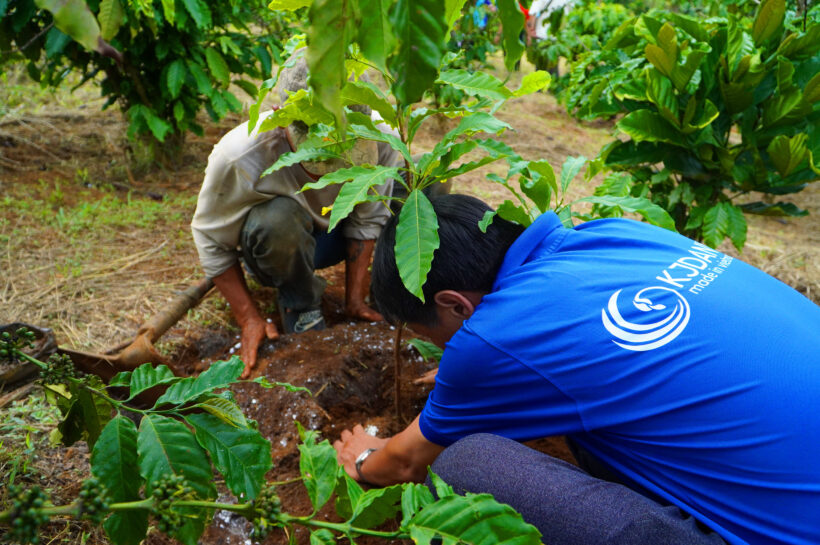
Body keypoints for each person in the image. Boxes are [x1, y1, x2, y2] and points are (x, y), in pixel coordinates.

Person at [333, 194, 820, 545]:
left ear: (454, 304)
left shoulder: (491, 339)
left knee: (466, 462)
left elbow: (403, 462)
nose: (438, 346)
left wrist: (360, 460)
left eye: (426, 332)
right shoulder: (614, 233)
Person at [191, 53, 401, 378]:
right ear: (280, 115)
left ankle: (390, 292)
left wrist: (355, 300)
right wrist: (248, 317)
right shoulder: (239, 156)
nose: (325, 173)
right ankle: (300, 304)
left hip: (335, 232)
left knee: (418, 191)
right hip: (277, 243)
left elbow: (369, 217)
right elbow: (211, 239)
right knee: (277, 219)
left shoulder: (382, 138)